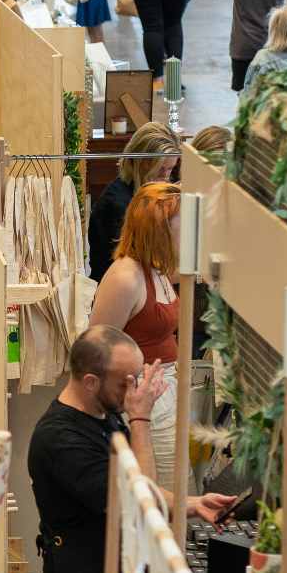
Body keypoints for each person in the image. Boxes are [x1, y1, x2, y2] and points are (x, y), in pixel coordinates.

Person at [28, 327, 235, 573]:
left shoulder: (102, 411)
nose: (137, 389)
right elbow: (141, 502)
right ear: (90, 382)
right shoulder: (61, 440)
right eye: (127, 382)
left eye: (138, 377)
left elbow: (139, 486)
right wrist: (140, 420)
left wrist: (194, 505)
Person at [87, 182, 186, 483]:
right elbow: (95, 350)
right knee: (160, 494)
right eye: (181, 228)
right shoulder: (126, 278)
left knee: (176, 486)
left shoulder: (158, 268)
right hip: (143, 400)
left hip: (163, 393)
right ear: (161, 231)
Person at [86, 121, 179, 282]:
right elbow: (146, 271)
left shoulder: (143, 191)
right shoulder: (119, 205)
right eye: (159, 169)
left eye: (170, 169)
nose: (165, 178)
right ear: (139, 163)